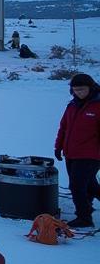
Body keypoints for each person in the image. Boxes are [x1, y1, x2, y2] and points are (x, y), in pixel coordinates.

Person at [55, 72, 100, 229]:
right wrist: (58, 147)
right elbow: (64, 128)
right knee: (91, 185)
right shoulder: (72, 106)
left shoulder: (97, 106)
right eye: (75, 90)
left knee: (77, 185)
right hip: (71, 153)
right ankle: (86, 208)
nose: (78, 93)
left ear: (91, 88)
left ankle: (84, 218)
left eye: (82, 89)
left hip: (91, 154)